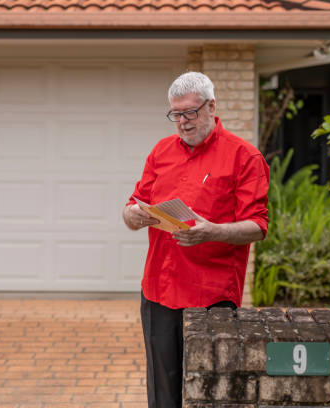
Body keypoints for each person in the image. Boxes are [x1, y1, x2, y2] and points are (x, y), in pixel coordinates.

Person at [122, 71, 269, 408]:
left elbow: (258, 226)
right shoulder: (160, 151)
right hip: (158, 291)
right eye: (176, 114)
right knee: (162, 393)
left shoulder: (245, 157)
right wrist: (131, 215)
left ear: (211, 106)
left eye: (190, 112)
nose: (183, 122)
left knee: (211, 389)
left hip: (211, 296)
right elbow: (133, 207)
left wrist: (212, 231)